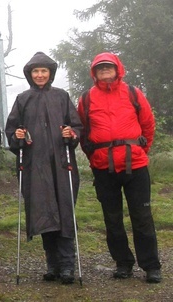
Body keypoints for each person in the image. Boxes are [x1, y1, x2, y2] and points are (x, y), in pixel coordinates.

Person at [77, 52, 161, 283]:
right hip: (103, 168)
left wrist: (142, 151)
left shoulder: (133, 93)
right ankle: (123, 263)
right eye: (100, 68)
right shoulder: (86, 98)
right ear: (94, 73)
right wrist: (93, 156)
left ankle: (151, 266)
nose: (105, 71)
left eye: (108, 67)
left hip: (136, 165)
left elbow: (148, 124)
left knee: (142, 217)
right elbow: (82, 132)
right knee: (112, 219)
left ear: (117, 69)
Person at [5, 51, 82, 284]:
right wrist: (17, 135)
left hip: (61, 163)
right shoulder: (22, 99)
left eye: (44, 71)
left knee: (64, 211)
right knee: (44, 213)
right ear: (30, 74)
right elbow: (12, 130)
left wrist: (72, 133)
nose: (40, 75)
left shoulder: (61, 96)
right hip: (35, 166)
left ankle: (68, 265)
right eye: (36, 71)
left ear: (50, 74)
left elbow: (76, 126)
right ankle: (53, 264)